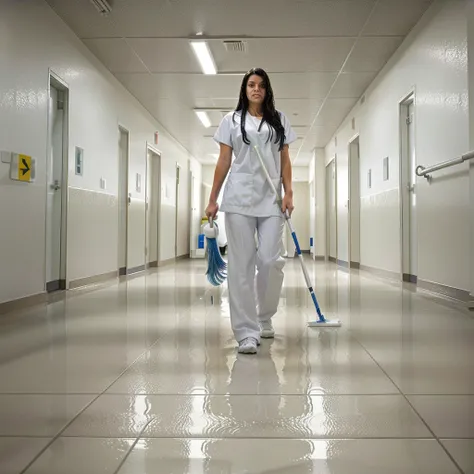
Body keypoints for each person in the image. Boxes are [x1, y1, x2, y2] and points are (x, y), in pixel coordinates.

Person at [205, 67, 297, 354]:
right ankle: (246, 331)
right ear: (244, 90)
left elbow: (284, 159)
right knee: (241, 266)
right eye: (251, 85)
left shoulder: (279, 120)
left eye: (261, 85)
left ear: (267, 90)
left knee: (270, 260)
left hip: (271, 198)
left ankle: (264, 316)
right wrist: (212, 198)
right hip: (238, 199)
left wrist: (289, 191)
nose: (256, 89)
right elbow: (223, 161)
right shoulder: (230, 121)